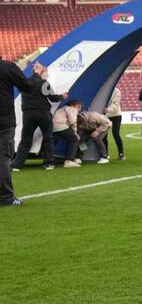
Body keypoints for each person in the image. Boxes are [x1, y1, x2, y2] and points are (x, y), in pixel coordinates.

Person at [1, 57, 47, 206]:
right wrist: (37, 74)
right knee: (3, 157)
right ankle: (6, 197)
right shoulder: (8, 67)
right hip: (4, 120)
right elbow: (28, 86)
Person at [15, 61, 59, 172]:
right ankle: (49, 163)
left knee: (25, 139)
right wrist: (62, 96)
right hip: (43, 112)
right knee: (48, 138)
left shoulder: (25, 82)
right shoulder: (44, 83)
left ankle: (17, 165)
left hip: (28, 113)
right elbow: (53, 98)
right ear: (41, 71)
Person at [51, 99, 83, 167]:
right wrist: (75, 133)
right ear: (72, 105)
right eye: (78, 107)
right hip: (60, 125)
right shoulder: (72, 109)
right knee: (74, 139)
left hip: (52, 127)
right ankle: (69, 161)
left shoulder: (62, 108)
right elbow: (73, 121)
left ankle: (49, 160)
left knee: (53, 141)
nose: (79, 109)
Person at [103, 86, 125, 161]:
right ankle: (105, 154)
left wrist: (108, 110)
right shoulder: (104, 90)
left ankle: (121, 154)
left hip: (116, 115)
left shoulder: (117, 91)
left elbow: (115, 104)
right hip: (105, 115)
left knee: (116, 134)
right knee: (104, 135)